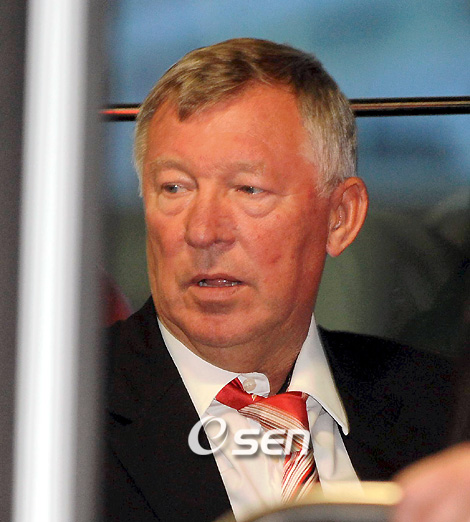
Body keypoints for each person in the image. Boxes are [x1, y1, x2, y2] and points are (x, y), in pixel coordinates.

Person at [102, 38, 455, 522]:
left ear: (340, 217)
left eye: (248, 189)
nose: (202, 231)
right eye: (175, 188)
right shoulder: (51, 415)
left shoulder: (443, 412)